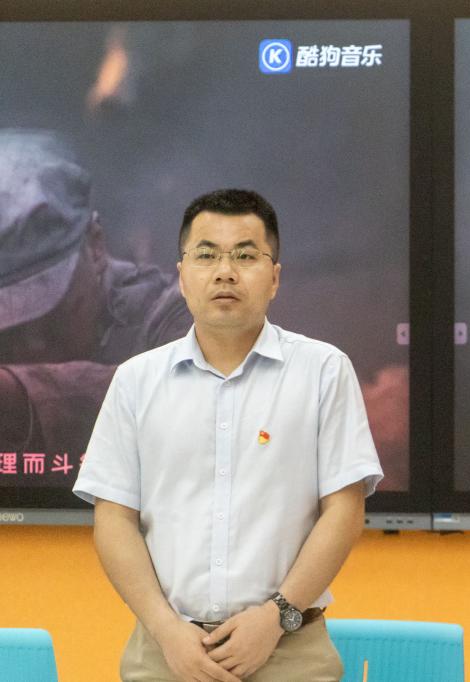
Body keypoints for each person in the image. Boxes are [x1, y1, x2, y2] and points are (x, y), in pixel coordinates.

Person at [73, 189, 383, 681]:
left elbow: (344, 512)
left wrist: (276, 616)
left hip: (289, 648)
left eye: (245, 255)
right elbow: (113, 519)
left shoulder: (324, 371)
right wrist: (167, 631)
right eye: (206, 255)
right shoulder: (135, 380)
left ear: (274, 278)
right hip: (166, 651)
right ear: (181, 276)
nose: (225, 272)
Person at [0, 129, 190, 474]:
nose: (33, 344)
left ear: (96, 245)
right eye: (11, 328)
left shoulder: (172, 314)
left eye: (52, 317)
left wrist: (16, 397)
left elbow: (200, 403)